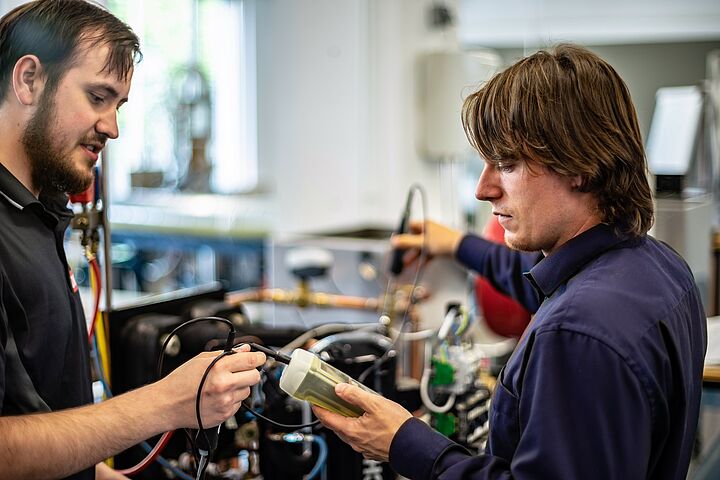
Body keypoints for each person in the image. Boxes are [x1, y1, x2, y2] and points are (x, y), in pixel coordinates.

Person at [313, 44, 708, 479]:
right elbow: (540, 289)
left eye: (506, 163)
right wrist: (459, 244)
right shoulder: (658, 268)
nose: (483, 189)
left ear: (581, 166)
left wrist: (403, 441)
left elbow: (570, 320)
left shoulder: (577, 333)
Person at [0, 1, 265, 479]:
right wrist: (167, 402)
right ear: (28, 80)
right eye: (98, 97)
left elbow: (34, 415)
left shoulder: (38, 216)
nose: (113, 128)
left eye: (118, 106)